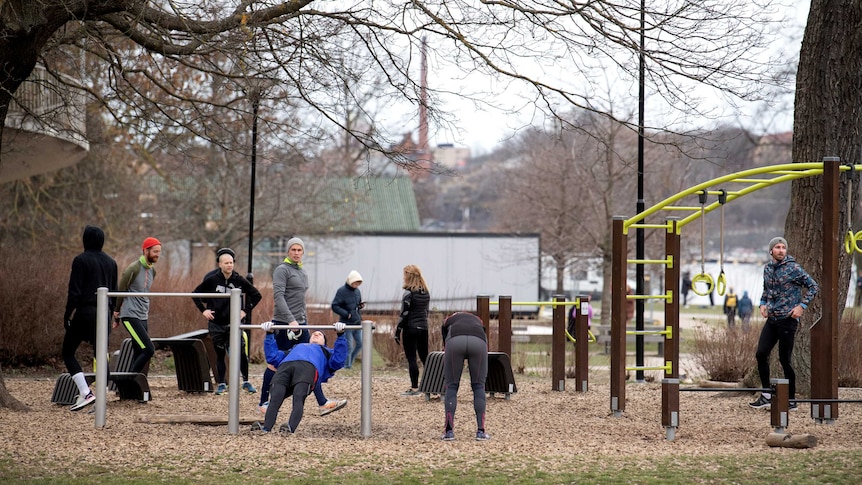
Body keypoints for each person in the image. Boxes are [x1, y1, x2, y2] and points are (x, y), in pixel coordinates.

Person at [258, 237, 346, 416]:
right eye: (293, 250)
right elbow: (279, 297)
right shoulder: (282, 270)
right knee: (275, 364)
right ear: (288, 251)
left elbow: (300, 300)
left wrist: (302, 320)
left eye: (299, 250)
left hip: (300, 323)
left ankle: (322, 403)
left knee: (311, 361)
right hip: (284, 322)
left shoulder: (302, 271)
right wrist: (290, 321)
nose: (296, 253)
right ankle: (264, 402)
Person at [749, 237, 819, 410]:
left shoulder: (793, 268)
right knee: (761, 354)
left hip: (788, 320)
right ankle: (766, 394)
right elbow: (767, 290)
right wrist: (763, 304)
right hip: (772, 320)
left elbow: (813, 286)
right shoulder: (767, 269)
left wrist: (802, 306)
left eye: (783, 247)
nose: (781, 250)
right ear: (771, 250)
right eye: (777, 247)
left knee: (784, 360)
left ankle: (791, 399)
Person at [251, 322, 348, 434]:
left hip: (308, 368)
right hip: (286, 366)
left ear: (325, 342)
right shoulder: (295, 348)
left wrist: (340, 336)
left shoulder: (326, 352)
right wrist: (269, 334)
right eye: (314, 334)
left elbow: (339, 361)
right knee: (275, 397)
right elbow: (273, 357)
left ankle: (290, 428)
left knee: (298, 397)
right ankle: (266, 428)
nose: (316, 334)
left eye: (320, 335)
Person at [63, 225, 118, 412]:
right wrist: (111, 314)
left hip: (85, 311)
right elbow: (114, 293)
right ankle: (101, 400)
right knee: (101, 355)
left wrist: (67, 313)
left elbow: (74, 291)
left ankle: (85, 392)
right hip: (104, 313)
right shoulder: (111, 262)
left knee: (68, 351)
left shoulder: (80, 260)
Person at [192, 247, 262, 395]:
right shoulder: (211, 279)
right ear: (220, 264)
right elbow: (195, 294)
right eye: (226, 263)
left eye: (231, 262)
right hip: (217, 323)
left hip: (234, 323)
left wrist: (245, 311)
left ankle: (246, 381)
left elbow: (256, 295)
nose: (229, 265)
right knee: (220, 353)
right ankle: (222, 383)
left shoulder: (238, 280)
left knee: (241, 353)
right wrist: (203, 310)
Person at [113, 237, 160, 374]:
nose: (157, 254)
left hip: (143, 315)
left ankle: (130, 390)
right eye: (155, 251)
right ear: (146, 251)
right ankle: (129, 380)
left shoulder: (153, 271)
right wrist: (116, 314)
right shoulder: (133, 268)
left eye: (159, 252)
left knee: (139, 350)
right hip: (129, 315)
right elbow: (121, 290)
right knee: (148, 349)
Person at [440, 312, 490, 441]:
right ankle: (481, 431)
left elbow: (444, 335)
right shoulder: (478, 320)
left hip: (455, 341)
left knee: (451, 386)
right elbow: (484, 332)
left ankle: (449, 431)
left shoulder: (449, 320)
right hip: (478, 342)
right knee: (479, 386)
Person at [393, 264, 431, 396]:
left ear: (408, 276)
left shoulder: (408, 293)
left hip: (411, 328)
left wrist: (398, 331)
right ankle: (432, 385)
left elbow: (404, 314)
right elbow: (426, 312)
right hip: (423, 328)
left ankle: (415, 388)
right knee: (425, 358)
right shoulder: (426, 292)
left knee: (412, 358)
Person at [331, 270, 365, 369]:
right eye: (355, 283)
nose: (357, 285)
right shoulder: (341, 291)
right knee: (349, 346)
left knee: (360, 344)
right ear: (350, 281)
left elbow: (356, 305)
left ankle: (351, 361)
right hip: (346, 323)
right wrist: (346, 314)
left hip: (357, 322)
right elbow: (335, 306)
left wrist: (360, 306)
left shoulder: (357, 291)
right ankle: (347, 366)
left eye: (359, 283)